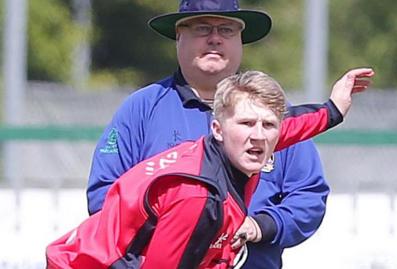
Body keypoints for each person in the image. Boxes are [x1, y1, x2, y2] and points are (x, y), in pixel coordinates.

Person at [86, 0, 347, 267]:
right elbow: (104, 197)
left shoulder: (272, 114)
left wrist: (261, 226)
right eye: (202, 28)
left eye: (226, 30)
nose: (215, 39)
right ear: (179, 35)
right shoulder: (141, 109)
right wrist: (175, 228)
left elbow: (309, 196)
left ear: (240, 39)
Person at [47, 69, 375, 269]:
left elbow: (284, 128)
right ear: (217, 129)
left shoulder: (235, 146)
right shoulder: (199, 198)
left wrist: (332, 111)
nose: (258, 135)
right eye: (247, 123)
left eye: (269, 125)